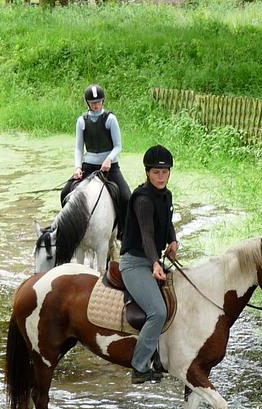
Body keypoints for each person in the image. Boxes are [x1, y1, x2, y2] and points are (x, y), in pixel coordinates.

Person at [120, 145, 179, 384]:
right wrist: (155, 263)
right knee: (158, 312)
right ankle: (139, 366)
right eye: (156, 172)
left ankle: (163, 356)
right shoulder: (143, 199)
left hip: (153, 259)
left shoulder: (167, 195)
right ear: (147, 173)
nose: (161, 177)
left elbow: (167, 222)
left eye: (165, 172)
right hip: (135, 263)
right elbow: (146, 235)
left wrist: (173, 240)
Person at [65, 84, 132, 238]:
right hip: (88, 165)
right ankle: (70, 228)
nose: (96, 105)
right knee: (65, 193)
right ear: (87, 103)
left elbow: (118, 146)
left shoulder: (110, 119)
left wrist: (109, 159)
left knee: (126, 197)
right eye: (92, 103)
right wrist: (77, 167)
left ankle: (123, 232)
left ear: (103, 101)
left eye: (98, 102)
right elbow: (78, 148)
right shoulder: (82, 121)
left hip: (109, 166)